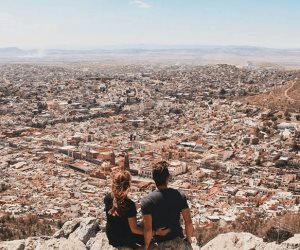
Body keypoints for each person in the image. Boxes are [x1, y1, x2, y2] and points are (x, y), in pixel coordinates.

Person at [104, 169, 170, 248]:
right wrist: (155, 232)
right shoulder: (129, 205)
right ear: (128, 187)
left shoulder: (107, 198)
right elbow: (134, 229)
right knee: (149, 225)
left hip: (111, 237)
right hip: (124, 238)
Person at [141, 161, 194, 250]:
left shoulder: (146, 201)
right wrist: (188, 240)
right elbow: (188, 222)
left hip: (161, 245)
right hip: (178, 243)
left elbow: (148, 230)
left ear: (153, 178)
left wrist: (146, 246)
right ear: (168, 178)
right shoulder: (179, 195)